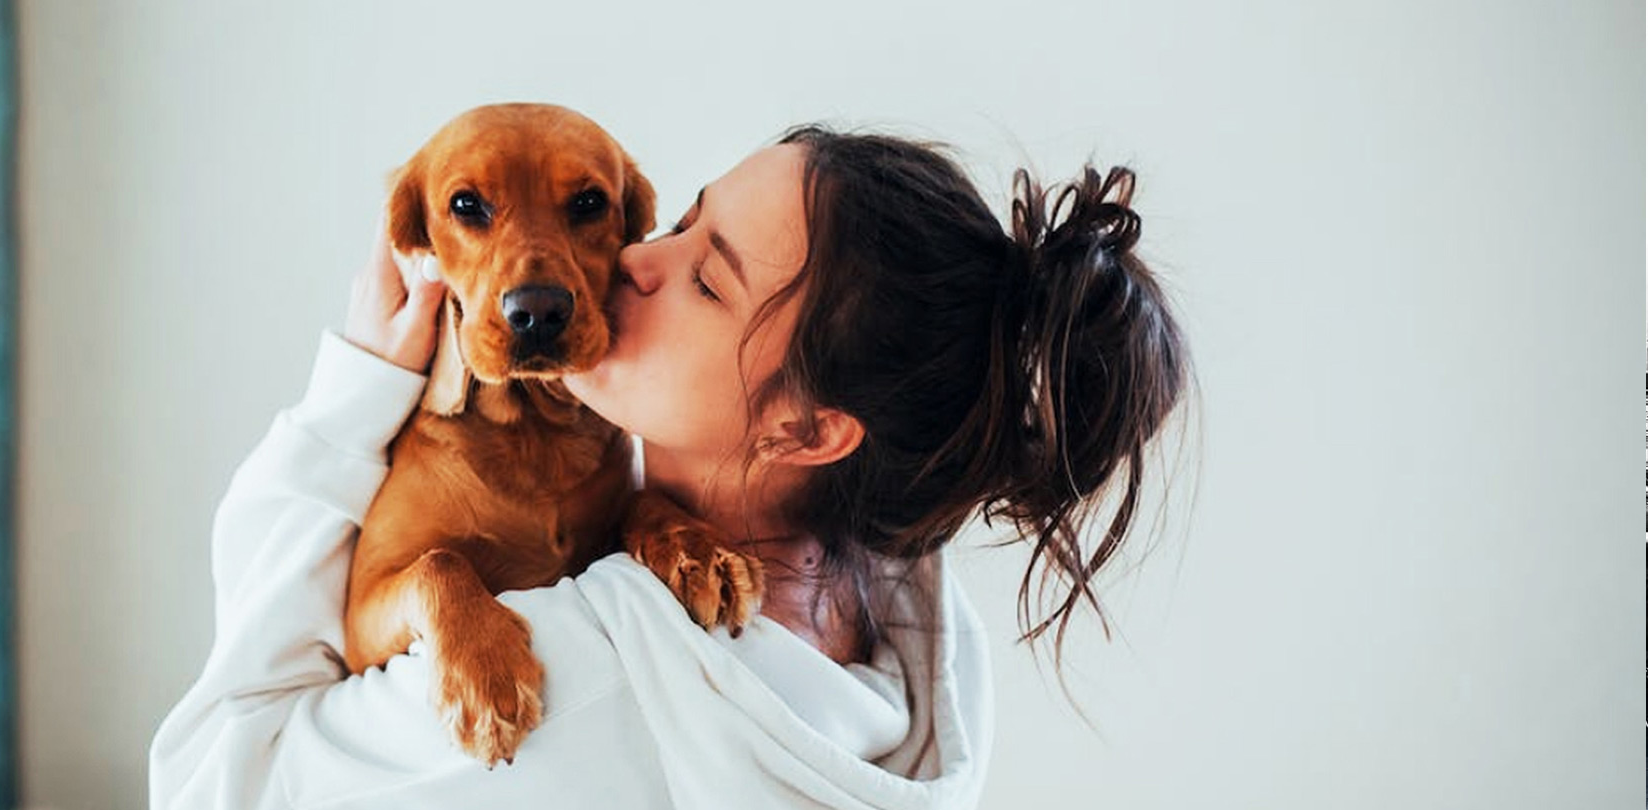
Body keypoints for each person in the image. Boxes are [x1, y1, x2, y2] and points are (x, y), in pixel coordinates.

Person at [148, 125, 1193, 810]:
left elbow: (206, 780)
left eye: (707, 279)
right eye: (681, 221)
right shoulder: (918, 644)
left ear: (812, 430)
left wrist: (348, 402)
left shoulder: (580, 669)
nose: (634, 260)